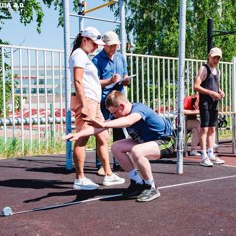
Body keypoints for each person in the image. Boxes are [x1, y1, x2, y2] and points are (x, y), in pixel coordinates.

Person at [64, 90, 176, 202]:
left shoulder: (139, 109)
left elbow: (128, 121)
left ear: (121, 106)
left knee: (137, 151)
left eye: (114, 113)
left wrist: (104, 124)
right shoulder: (119, 114)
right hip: (145, 142)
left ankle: (151, 187)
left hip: (166, 142)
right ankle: (137, 183)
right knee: (116, 147)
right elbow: (99, 128)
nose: (114, 116)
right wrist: (78, 134)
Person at [69, 27, 125, 190]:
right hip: (87, 102)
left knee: (103, 137)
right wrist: (84, 106)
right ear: (84, 40)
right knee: (82, 138)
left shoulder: (84, 56)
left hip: (93, 101)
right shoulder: (79, 55)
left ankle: (108, 174)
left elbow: (91, 81)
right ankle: (79, 179)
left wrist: (109, 82)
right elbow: (78, 81)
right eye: (94, 44)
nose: (96, 47)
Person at [92, 31, 129, 175]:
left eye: (116, 45)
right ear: (104, 46)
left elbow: (125, 75)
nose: (114, 48)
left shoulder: (120, 58)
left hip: (118, 100)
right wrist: (110, 81)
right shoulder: (97, 60)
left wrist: (126, 80)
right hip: (104, 101)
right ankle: (101, 164)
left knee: (120, 131)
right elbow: (94, 83)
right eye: (111, 46)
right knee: (102, 132)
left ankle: (119, 161)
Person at [194, 47, 226, 167]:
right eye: (214, 57)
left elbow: (215, 86)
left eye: (218, 58)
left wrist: (220, 91)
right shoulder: (203, 68)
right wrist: (211, 93)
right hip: (205, 103)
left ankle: (211, 153)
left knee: (212, 129)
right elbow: (196, 86)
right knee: (205, 129)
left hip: (214, 103)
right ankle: (203, 156)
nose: (216, 60)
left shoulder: (217, 71)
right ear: (209, 56)